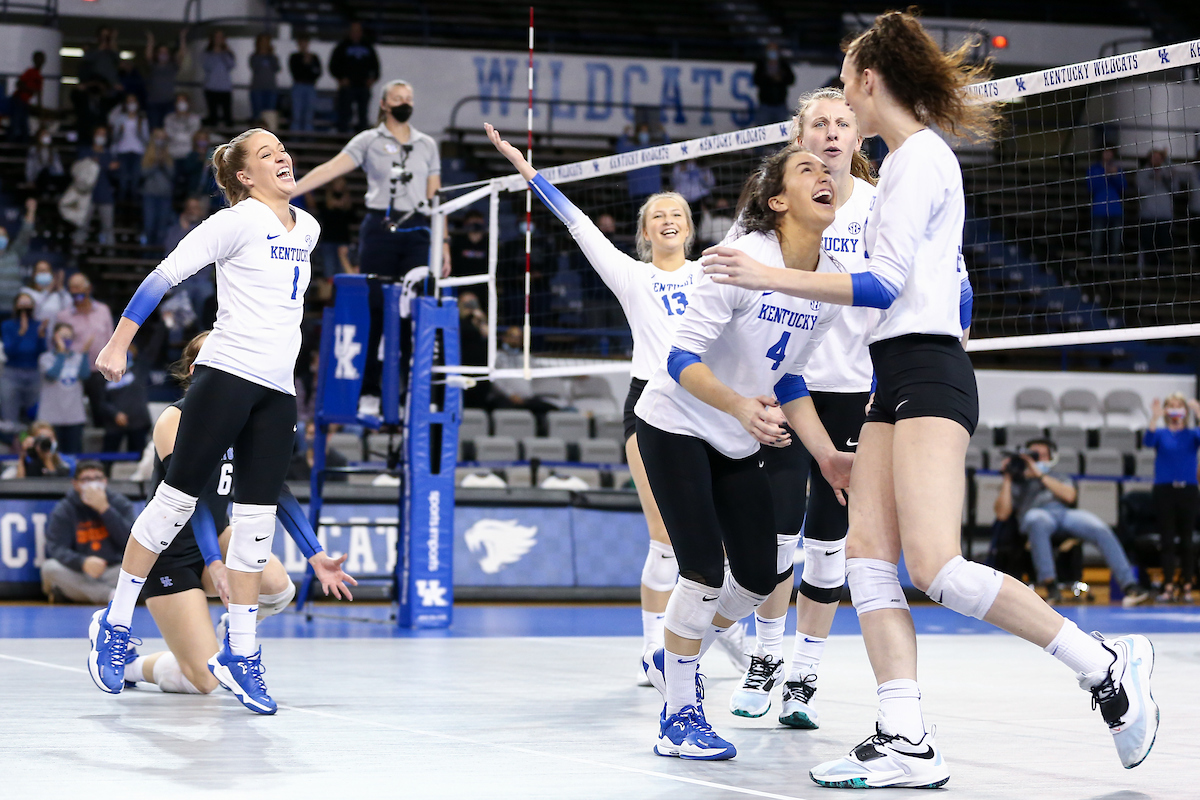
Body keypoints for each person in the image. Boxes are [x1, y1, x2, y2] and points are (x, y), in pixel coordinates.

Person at [702, 11, 1158, 784]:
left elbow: (883, 284)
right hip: (893, 376)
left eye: (846, 80)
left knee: (937, 568)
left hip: (928, 371)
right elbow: (914, 287)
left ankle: (1105, 665)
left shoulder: (920, 160)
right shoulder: (895, 173)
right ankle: (904, 736)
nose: (841, 97)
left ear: (869, 80)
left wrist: (768, 276)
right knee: (866, 560)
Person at [487, 120, 761, 677]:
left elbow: (752, 220)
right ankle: (651, 650)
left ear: (690, 228)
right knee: (665, 539)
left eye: (676, 213)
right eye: (657, 214)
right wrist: (525, 169)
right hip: (651, 406)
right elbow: (579, 225)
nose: (668, 219)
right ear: (645, 231)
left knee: (722, 543)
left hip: (711, 404)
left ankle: (721, 633)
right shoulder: (632, 276)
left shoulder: (711, 271)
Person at [86, 127, 320, 717]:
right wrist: (118, 344)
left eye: (282, 149)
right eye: (266, 154)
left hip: (277, 388)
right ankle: (115, 623)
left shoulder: (309, 228)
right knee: (174, 503)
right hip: (228, 373)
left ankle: (241, 652)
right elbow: (162, 277)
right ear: (244, 176)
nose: (281, 156)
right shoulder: (234, 221)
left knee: (256, 527)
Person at [635, 142, 854, 760]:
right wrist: (737, 406)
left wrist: (827, 455)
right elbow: (680, 360)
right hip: (675, 422)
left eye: (827, 169)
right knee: (703, 570)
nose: (824, 174)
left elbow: (790, 379)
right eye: (807, 168)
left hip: (735, 436)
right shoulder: (740, 259)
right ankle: (679, 716)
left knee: (759, 575)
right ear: (778, 201)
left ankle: (676, 654)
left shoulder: (824, 282)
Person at [725, 87, 879, 727]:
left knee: (828, 543)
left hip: (858, 389)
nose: (832, 132)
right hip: (789, 384)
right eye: (820, 123)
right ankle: (764, 658)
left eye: (844, 122)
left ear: (859, 136)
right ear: (800, 135)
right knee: (779, 533)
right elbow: (729, 285)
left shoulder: (878, 205)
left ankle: (805, 673)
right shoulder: (770, 207)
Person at [122, 331, 355, 695]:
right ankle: (131, 666)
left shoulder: (245, 424)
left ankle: (230, 631)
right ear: (198, 371)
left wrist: (316, 555)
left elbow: (275, 491)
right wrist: (215, 564)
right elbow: (194, 500)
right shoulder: (174, 419)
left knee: (278, 588)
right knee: (203, 683)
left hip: (215, 536)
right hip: (168, 556)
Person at [292, 79, 446, 398]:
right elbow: (331, 169)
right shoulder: (368, 140)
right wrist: (291, 191)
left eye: (409, 98)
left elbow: (436, 198)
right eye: (398, 98)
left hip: (418, 230)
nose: (405, 102)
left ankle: (411, 390)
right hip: (380, 228)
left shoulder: (427, 144)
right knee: (375, 306)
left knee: (413, 308)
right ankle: (370, 388)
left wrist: (443, 243)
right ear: (384, 104)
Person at [996, 438, 1150, 606]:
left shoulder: (1058, 476)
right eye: (1034, 455)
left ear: (1051, 457)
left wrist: (1040, 475)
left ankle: (1130, 586)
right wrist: (1007, 478)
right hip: (1036, 515)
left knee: (1098, 527)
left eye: (1042, 455)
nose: (1037, 459)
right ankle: (1051, 586)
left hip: (1064, 514)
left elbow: (1070, 496)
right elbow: (1002, 514)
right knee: (1037, 519)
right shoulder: (1018, 481)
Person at [41, 460, 137, 603]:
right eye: (86, 479)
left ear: (105, 481)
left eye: (97, 478)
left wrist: (105, 509)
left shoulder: (120, 504)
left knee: (149, 569)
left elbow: (131, 542)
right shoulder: (65, 509)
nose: (92, 484)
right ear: (76, 484)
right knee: (49, 568)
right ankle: (111, 596)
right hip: (81, 573)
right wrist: (82, 562)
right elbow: (57, 548)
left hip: (116, 571)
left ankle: (81, 594)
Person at [1144, 393, 1200, 603]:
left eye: (1179, 405)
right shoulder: (1161, 433)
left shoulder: (1191, 434)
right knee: (1167, 539)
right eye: (1172, 405)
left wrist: (1198, 412)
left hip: (1188, 490)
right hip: (1164, 490)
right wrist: (1155, 417)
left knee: (1187, 540)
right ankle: (1168, 584)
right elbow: (1148, 441)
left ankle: (1186, 585)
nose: (1175, 409)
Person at [56, 272, 114, 427]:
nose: (74, 291)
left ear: (88, 288)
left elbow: (111, 338)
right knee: (72, 410)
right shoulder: (63, 316)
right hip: (74, 371)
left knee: (100, 409)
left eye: (78, 287)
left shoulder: (103, 310)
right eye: (71, 288)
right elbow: (56, 343)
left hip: (99, 370)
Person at [38, 322, 90, 454]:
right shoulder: (45, 358)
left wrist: (85, 353)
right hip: (51, 416)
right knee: (52, 454)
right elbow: (52, 375)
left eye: (69, 336)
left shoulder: (78, 357)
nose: (66, 339)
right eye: (62, 336)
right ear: (54, 337)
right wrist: (61, 353)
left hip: (74, 416)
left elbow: (84, 375)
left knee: (74, 454)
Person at [1, 293, 46, 423]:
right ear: (16, 306)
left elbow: (41, 351)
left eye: (28, 304)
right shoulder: (7, 325)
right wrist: (21, 333)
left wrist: (41, 337)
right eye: (22, 304)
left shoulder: (38, 325)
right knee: (9, 410)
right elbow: (9, 351)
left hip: (33, 371)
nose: (25, 307)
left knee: (34, 412)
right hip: (12, 372)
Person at [71, 125, 118, 247]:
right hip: (87, 194)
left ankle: (110, 254)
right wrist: (105, 165)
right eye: (99, 134)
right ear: (93, 135)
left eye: (103, 134)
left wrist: (106, 166)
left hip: (105, 195)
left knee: (108, 228)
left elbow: (114, 172)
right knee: (82, 226)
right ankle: (76, 251)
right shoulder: (85, 152)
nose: (100, 137)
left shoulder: (109, 154)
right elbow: (79, 170)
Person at [329, 21, 379, 133]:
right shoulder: (342, 46)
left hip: (363, 87)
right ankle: (342, 138)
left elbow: (376, 67)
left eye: (358, 30)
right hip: (348, 87)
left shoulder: (368, 47)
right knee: (344, 114)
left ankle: (361, 139)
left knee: (363, 115)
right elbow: (333, 66)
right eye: (353, 30)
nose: (355, 33)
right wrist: (341, 79)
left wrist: (372, 79)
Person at [1136, 148, 1179, 269]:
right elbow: (1141, 189)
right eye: (1154, 157)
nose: (1156, 160)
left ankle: (1163, 271)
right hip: (1148, 215)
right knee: (1148, 245)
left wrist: (1169, 178)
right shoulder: (1143, 172)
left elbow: (1176, 190)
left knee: (1164, 246)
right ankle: (1147, 270)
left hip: (1165, 215)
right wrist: (1154, 179)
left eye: (1159, 158)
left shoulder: (1167, 172)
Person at [144, 29, 190, 130]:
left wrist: (182, 38)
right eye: (161, 52)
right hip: (153, 103)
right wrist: (151, 41)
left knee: (168, 129)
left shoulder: (173, 66)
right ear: (157, 54)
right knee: (154, 128)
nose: (163, 54)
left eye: (165, 52)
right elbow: (148, 56)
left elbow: (182, 55)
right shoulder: (153, 66)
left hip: (169, 102)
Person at [108, 93, 149, 205]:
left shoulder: (142, 119)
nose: (131, 104)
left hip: (138, 152)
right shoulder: (120, 118)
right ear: (126, 104)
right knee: (123, 182)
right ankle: (121, 208)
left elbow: (147, 140)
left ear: (137, 104)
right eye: (129, 102)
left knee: (135, 182)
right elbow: (114, 139)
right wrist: (120, 131)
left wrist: (139, 131)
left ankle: (134, 209)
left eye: (133, 101)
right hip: (123, 152)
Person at [1086, 148, 1125, 263]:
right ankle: (1096, 268)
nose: (1108, 154)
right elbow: (1091, 187)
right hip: (1099, 210)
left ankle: (1114, 268)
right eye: (1105, 152)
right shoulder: (1093, 169)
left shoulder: (1117, 169)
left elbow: (1123, 187)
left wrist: (1115, 175)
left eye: (1110, 152)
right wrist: (1105, 174)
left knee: (1116, 243)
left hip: (1115, 211)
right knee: (1097, 243)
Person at [0, 198, 38, 311]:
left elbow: (25, 234)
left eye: (2, 236)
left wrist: (31, 210)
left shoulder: (14, 253)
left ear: (7, 239)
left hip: (13, 310)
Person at [617, 124, 668, 200]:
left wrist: (664, 133)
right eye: (642, 132)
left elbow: (668, 149)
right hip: (636, 192)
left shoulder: (655, 149)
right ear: (638, 134)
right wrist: (625, 134)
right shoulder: (632, 150)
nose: (644, 134)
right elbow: (619, 149)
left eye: (646, 132)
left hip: (654, 192)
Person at [142, 129, 175, 245]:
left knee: (162, 226)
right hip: (150, 195)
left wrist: (163, 163)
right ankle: (147, 252)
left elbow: (172, 175)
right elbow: (143, 173)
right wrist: (155, 164)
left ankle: (159, 252)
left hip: (165, 195)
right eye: (158, 138)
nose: (160, 141)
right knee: (149, 225)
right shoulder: (147, 154)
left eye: (162, 138)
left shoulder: (168, 155)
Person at [317, 175, 355, 277]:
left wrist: (344, 205)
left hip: (343, 239)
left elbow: (353, 217)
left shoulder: (347, 198)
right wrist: (331, 205)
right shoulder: (325, 197)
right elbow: (321, 215)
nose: (339, 185)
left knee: (343, 272)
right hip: (329, 239)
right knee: (329, 271)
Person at [164, 94, 202, 188]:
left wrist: (179, 136)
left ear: (188, 103)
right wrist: (184, 136)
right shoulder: (169, 118)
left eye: (183, 101)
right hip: (173, 154)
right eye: (179, 101)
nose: (181, 104)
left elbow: (194, 134)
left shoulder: (195, 118)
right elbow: (169, 133)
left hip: (189, 154)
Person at [753, 43, 795, 126]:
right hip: (765, 105)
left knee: (781, 130)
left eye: (774, 50)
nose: (772, 53)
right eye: (770, 50)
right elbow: (756, 80)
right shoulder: (761, 64)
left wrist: (781, 79)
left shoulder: (783, 64)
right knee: (763, 129)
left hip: (780, 104)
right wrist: (770, 79)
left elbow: (791, 79)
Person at [20, 259, 71, 327]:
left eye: (46, 271)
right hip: (35, 329)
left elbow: (70, 307)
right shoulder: (26, 291)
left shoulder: (58, 294)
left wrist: (60, 287)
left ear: (51, 274)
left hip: (56, 330)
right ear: (33, 274)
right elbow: (34, 309)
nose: (43, 273)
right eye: (40, 271)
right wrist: (47, 290)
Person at [201, 30, 235, 127]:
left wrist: (224, 53)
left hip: (225, 88)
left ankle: (229, 135)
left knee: (227, 116)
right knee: (213, 116)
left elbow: (231, 65)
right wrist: (215, 53)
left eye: (220, 37)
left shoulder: (227, 53)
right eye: (216, 37)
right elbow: (206, 66)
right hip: (211, 88)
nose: (218, 40)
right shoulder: (207, 54)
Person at [10, 51, 46, 142]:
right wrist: (30, 89)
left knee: (23, 126)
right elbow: (19, 84)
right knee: (17, 124)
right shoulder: (30, 72)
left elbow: (39, 94)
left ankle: (21, 144)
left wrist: (40, 111)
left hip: (24, 103)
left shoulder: (39, 77)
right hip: (18, 101)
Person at [289, 35, 322, 132]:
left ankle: (308, 137)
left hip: (310, 86)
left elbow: (317, 72)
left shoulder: (314, 57)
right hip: (298, 86)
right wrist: (304, 63)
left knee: (309, 115)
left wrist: (310, 64)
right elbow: (295, 72)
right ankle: (295, 137)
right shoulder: (294, 57)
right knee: (296, 114)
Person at [249, 34, 281, 125]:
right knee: (257, 115)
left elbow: (277, 68)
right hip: (257, 88)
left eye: (266, 42)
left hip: (271, 88)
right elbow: (255, 67)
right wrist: (261, 55)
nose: (264, 44)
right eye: (262, 41)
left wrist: (270, 55)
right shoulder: (254, 57)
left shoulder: (273, 57)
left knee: (270, 115)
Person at [25, 129, 65, 198]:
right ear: (39, 137)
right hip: (38, 176)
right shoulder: (33, 150)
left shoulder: (53, 150)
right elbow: (30, 166)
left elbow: (58, 165)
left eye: (47, 135)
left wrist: (61, 176)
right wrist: (30, 180)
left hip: (51, 175)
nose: (46, 137)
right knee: (45, 172)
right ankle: (44, 193)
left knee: (59, 176)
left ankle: (58, 195)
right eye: (43, 135)